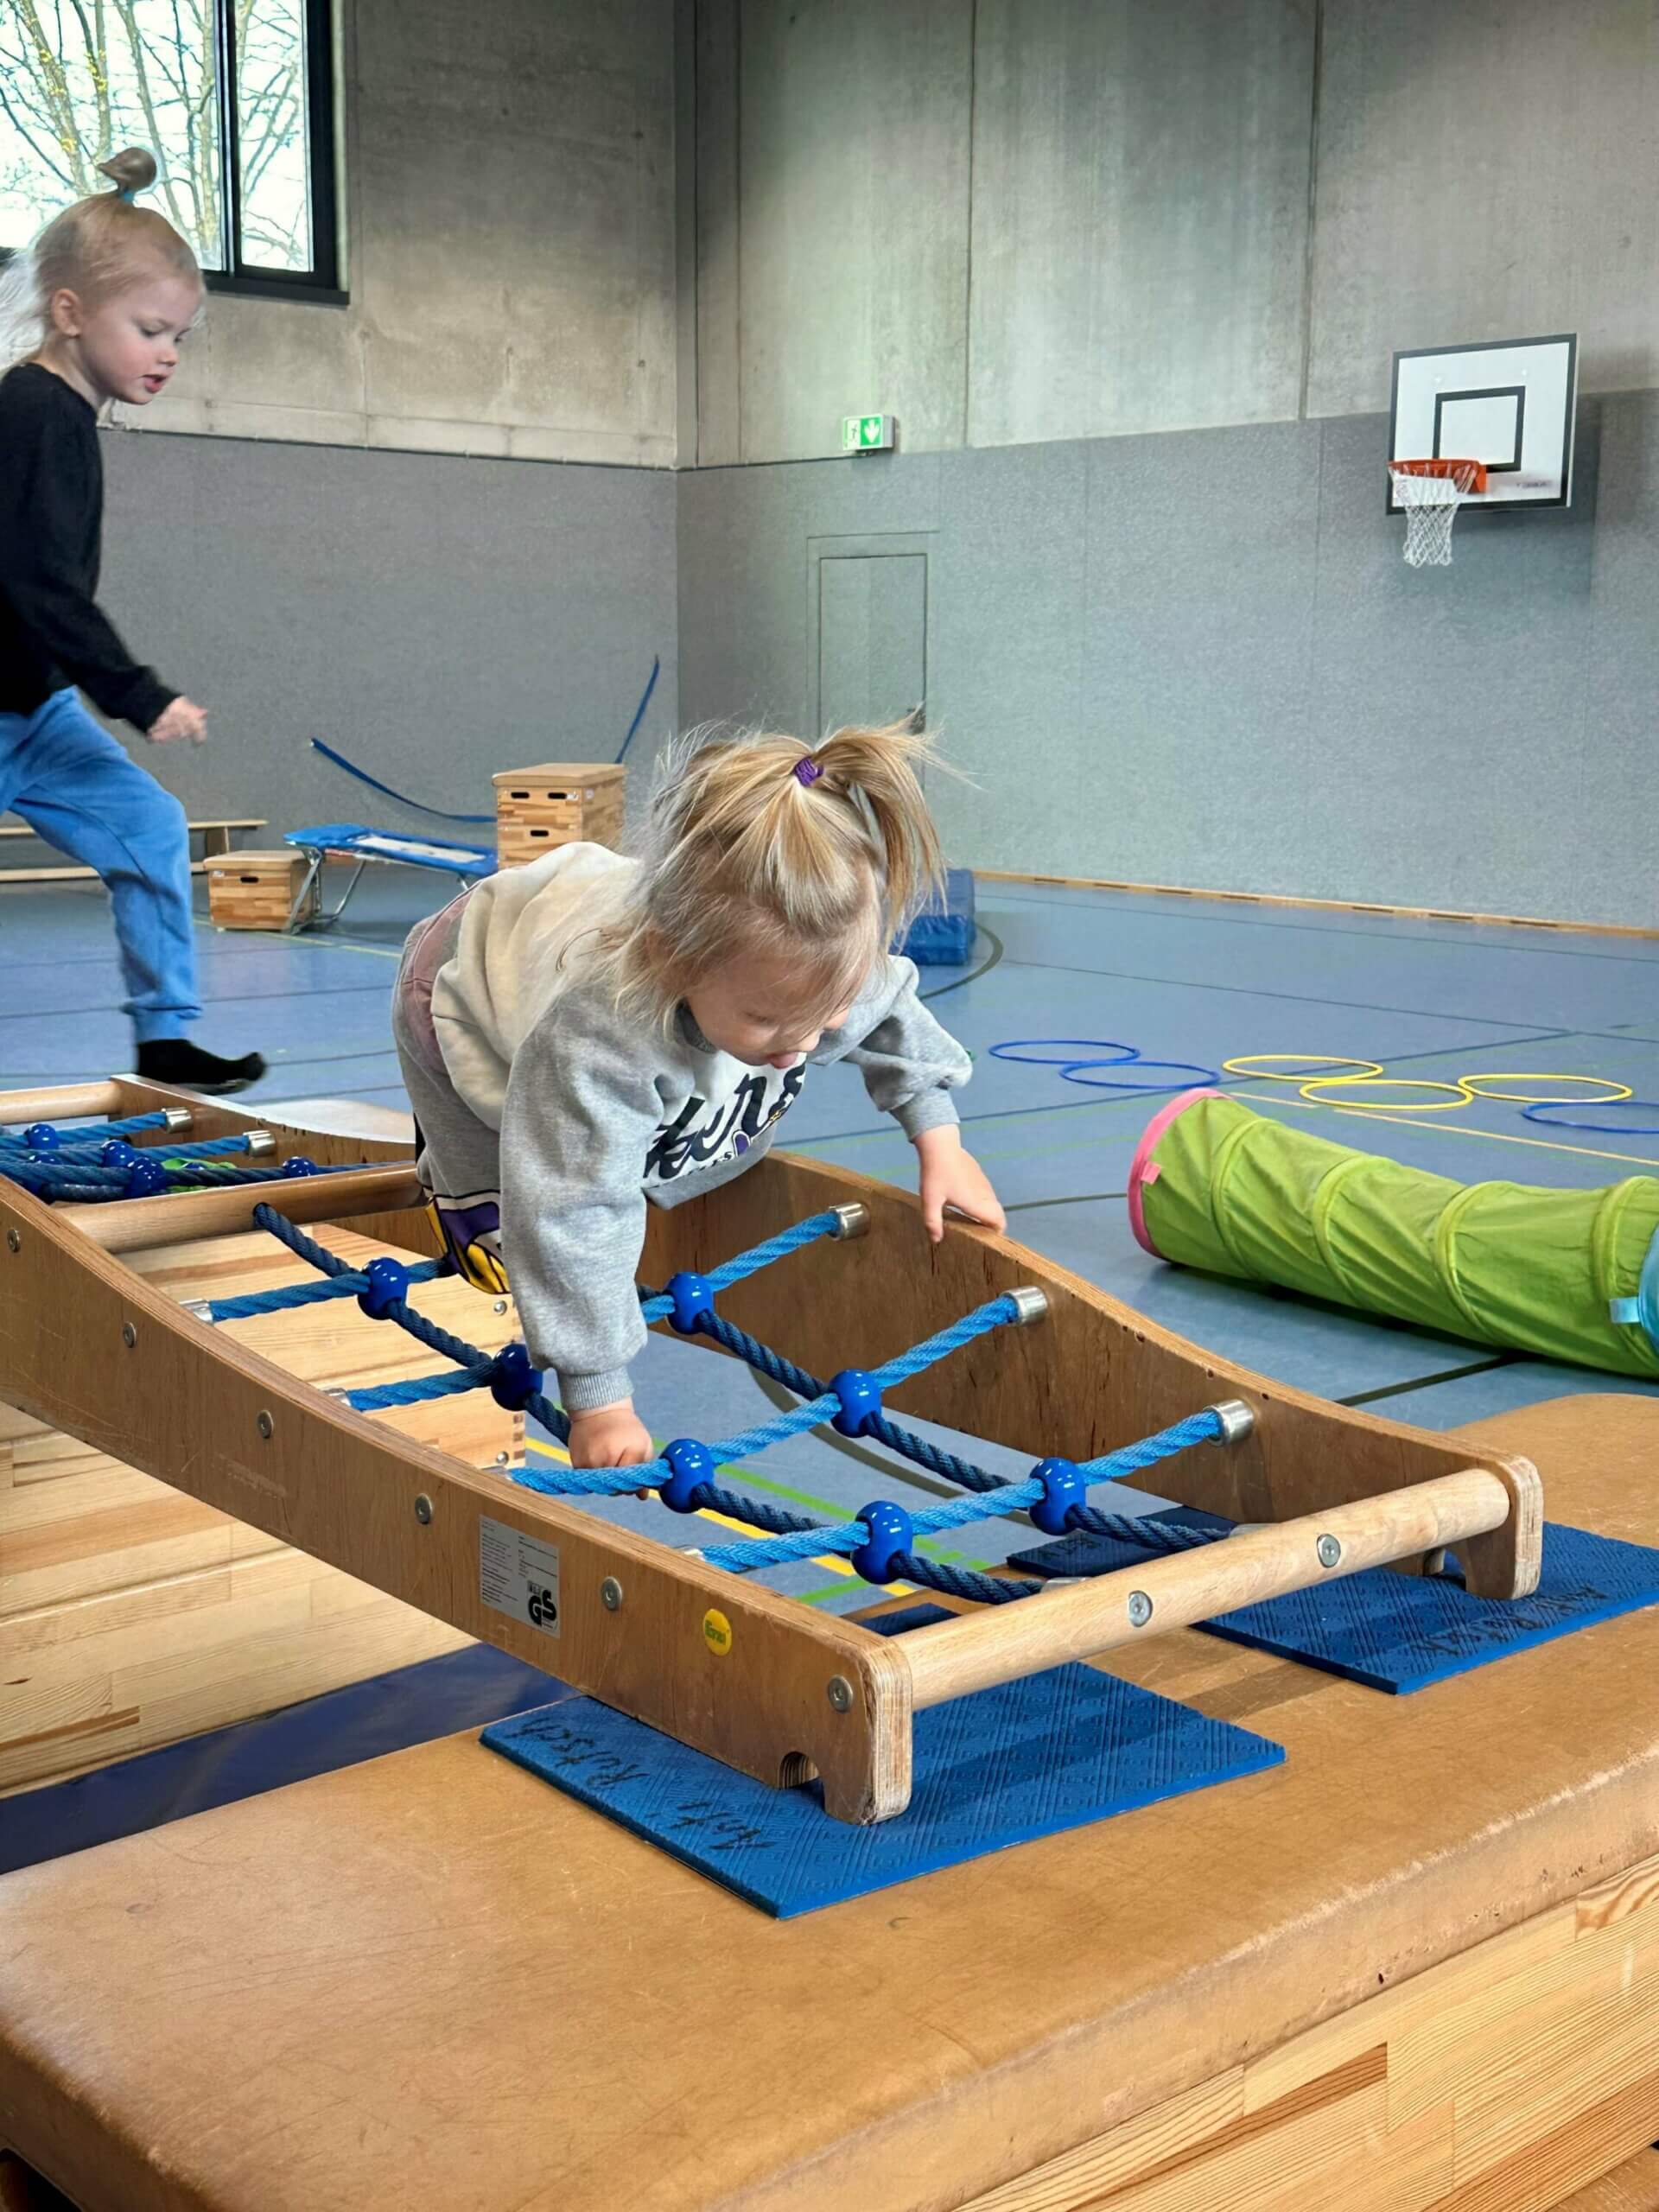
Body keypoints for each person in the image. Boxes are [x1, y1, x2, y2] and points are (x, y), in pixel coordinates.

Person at [394, 719, 1005, 1468]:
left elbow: (892, 1008)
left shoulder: (809, 967)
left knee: (722, 1086)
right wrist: (600, 1399)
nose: (806, 1043)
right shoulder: (599, 1037)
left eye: (826, 1014)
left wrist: (939, 1139)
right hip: (461, 977)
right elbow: (571, 1209)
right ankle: (459, 1196)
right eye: (771, 1020)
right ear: (671, 958)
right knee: (500, 1213)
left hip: (643, 947)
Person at [0, 149, 264, 1094]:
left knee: (149, 825)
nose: (168, 354)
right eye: (150, 329)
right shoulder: (32, 413)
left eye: (180, 337)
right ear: (69, 313)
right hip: (16, 701)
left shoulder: (68, 417)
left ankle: (163, 1040)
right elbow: (37, 584)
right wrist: (139, 693)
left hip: (31, 707)